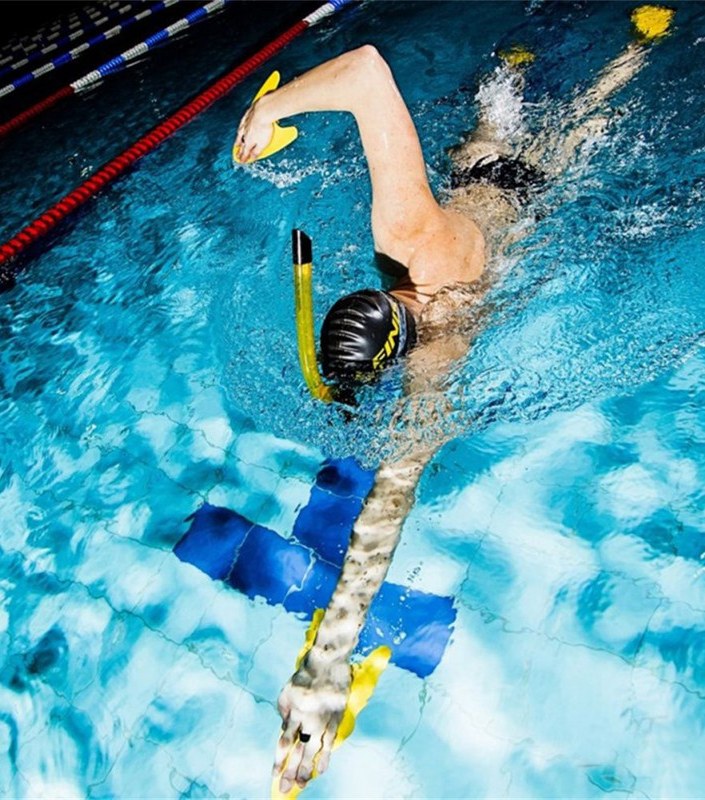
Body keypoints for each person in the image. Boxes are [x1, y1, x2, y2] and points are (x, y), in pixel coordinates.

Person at [233, 6, 672, 795]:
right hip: (487, 183)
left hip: (529, 208)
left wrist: (328, 663)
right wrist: (269, 107)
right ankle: (623, 40)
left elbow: (390, 504)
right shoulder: (406, 233)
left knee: (589, 118)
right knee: (537, 113)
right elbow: (365, 70)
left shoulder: (438, 360)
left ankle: (635, 41)